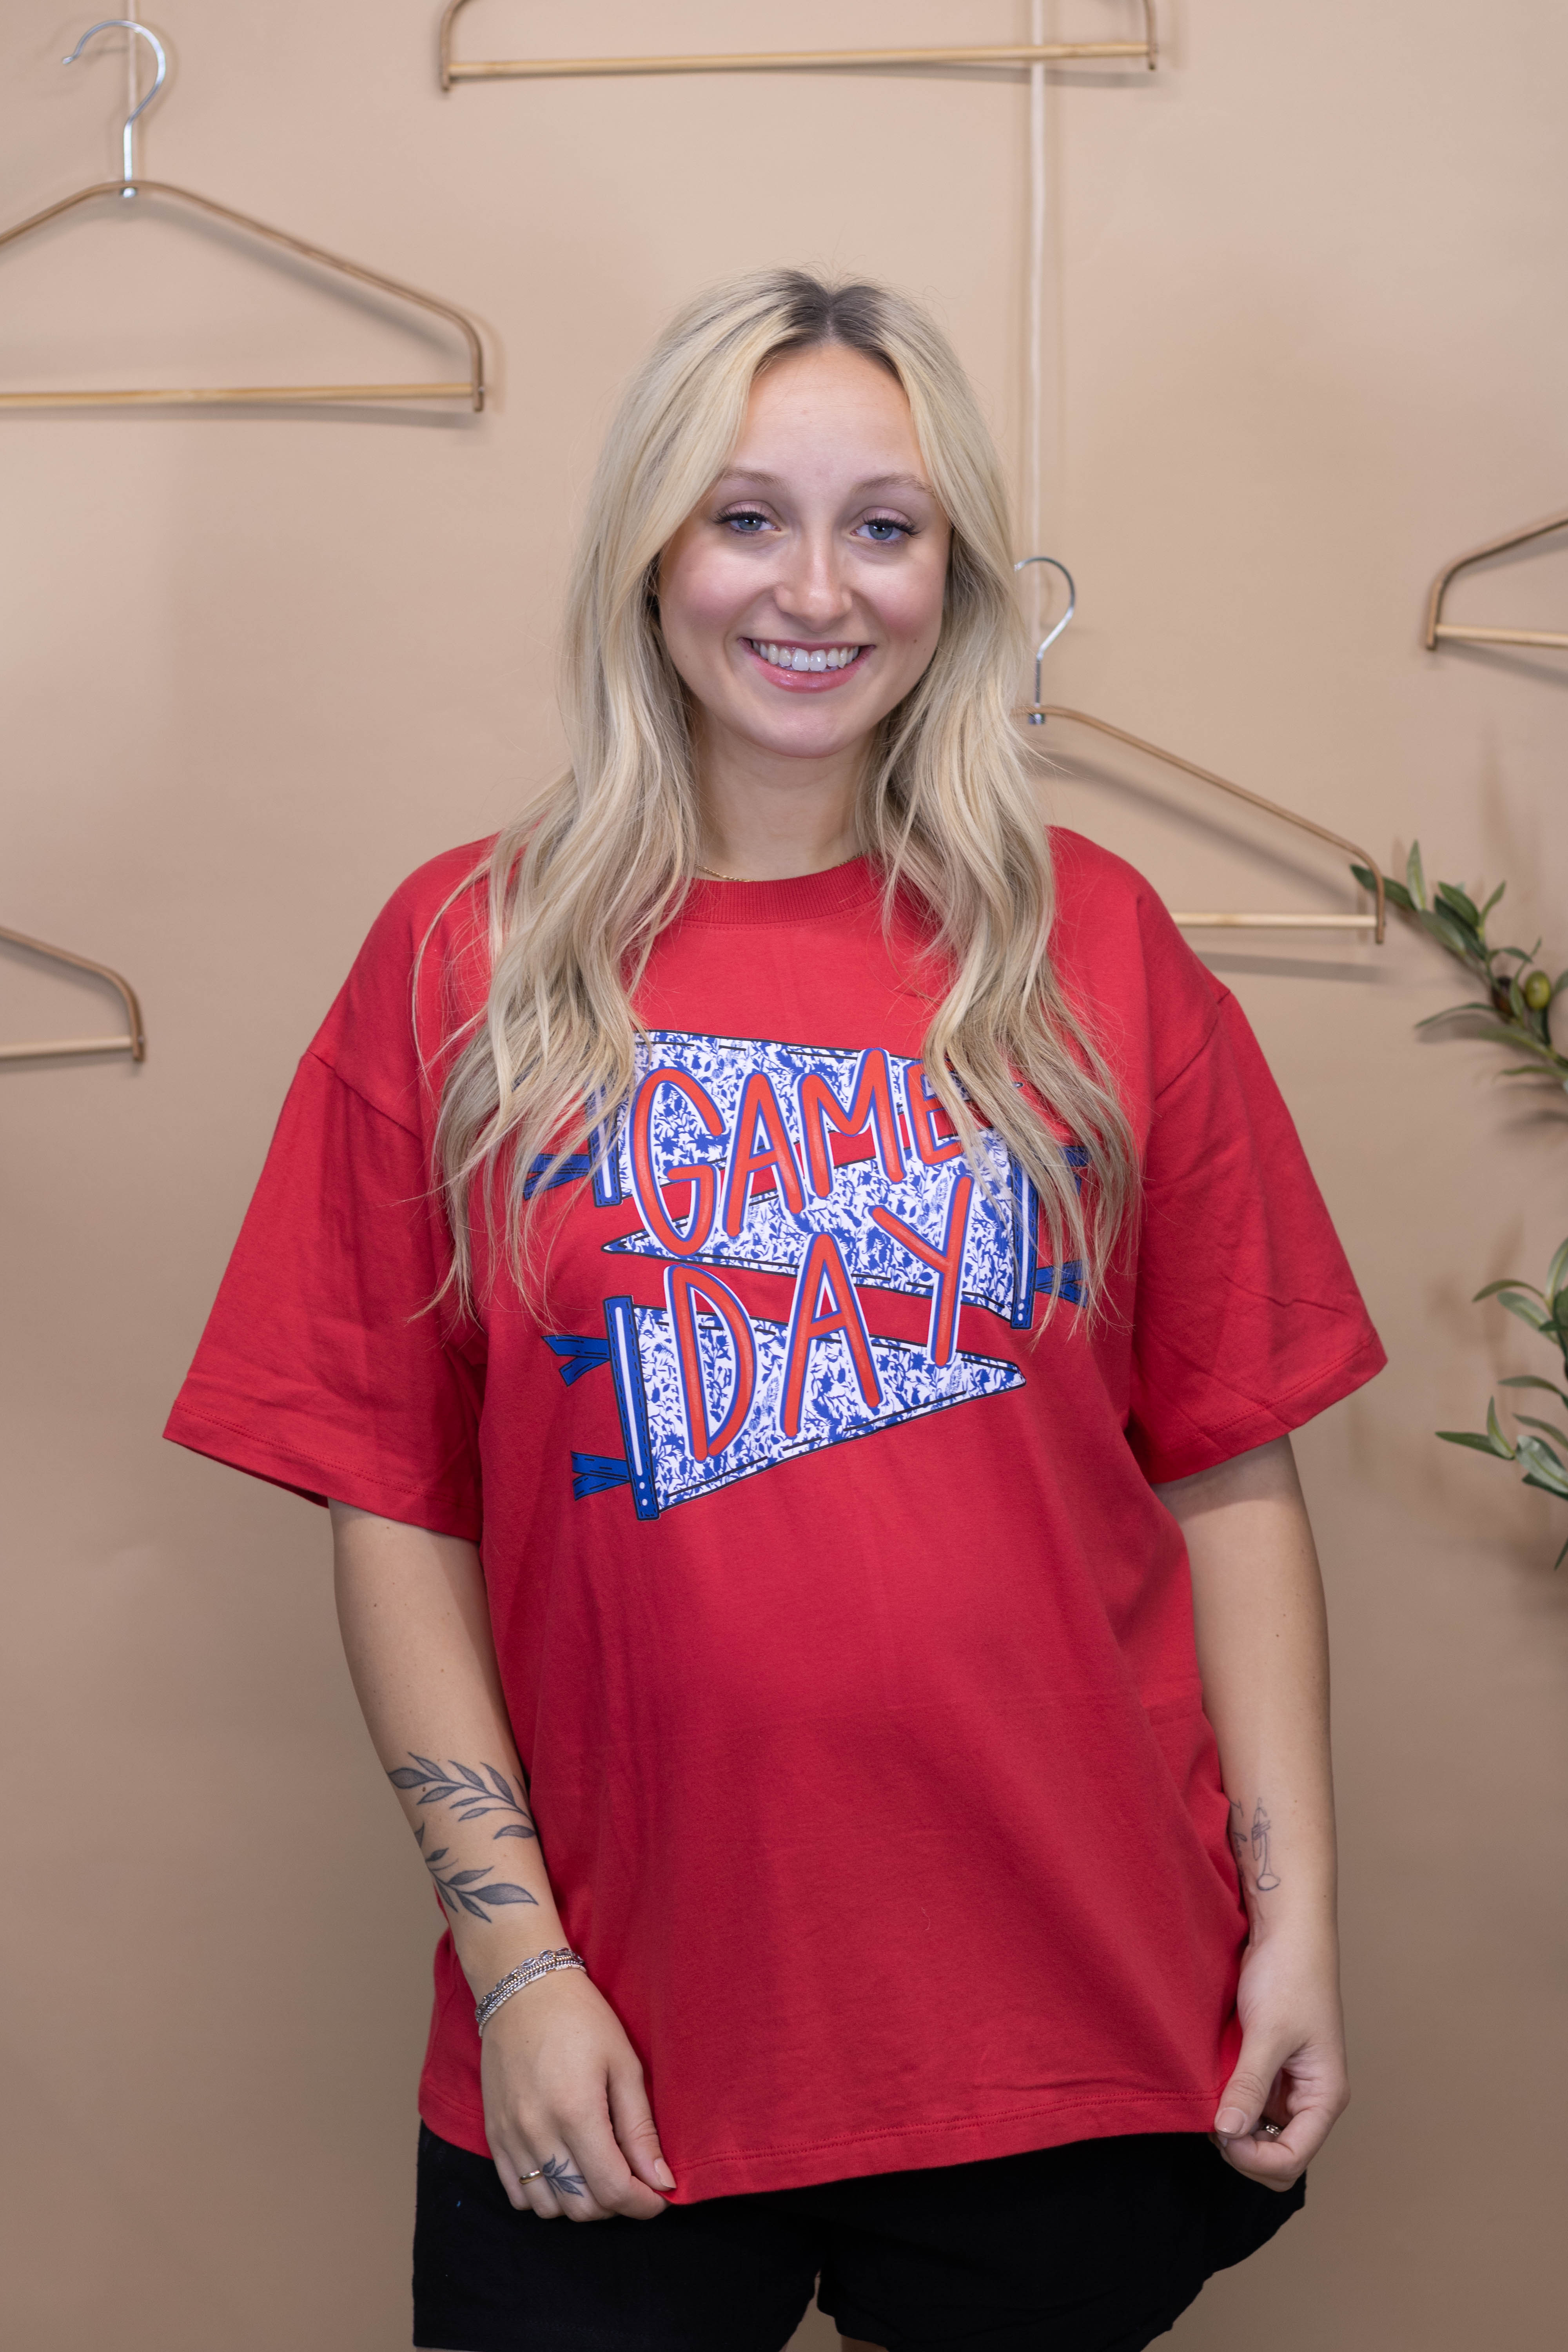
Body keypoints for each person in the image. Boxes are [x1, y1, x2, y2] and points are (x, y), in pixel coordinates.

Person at [167, 270, 1385, 2352]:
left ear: (952, 578)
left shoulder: (1095, 947)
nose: (816, 590)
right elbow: (393, 1501)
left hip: (1072, 2010)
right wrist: (519, 1965)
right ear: (653, 556)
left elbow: (1231, 1475)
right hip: (624, 2028)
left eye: (883, 526)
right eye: (748, 518)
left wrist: (1298, 1928)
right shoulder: (466, 958)